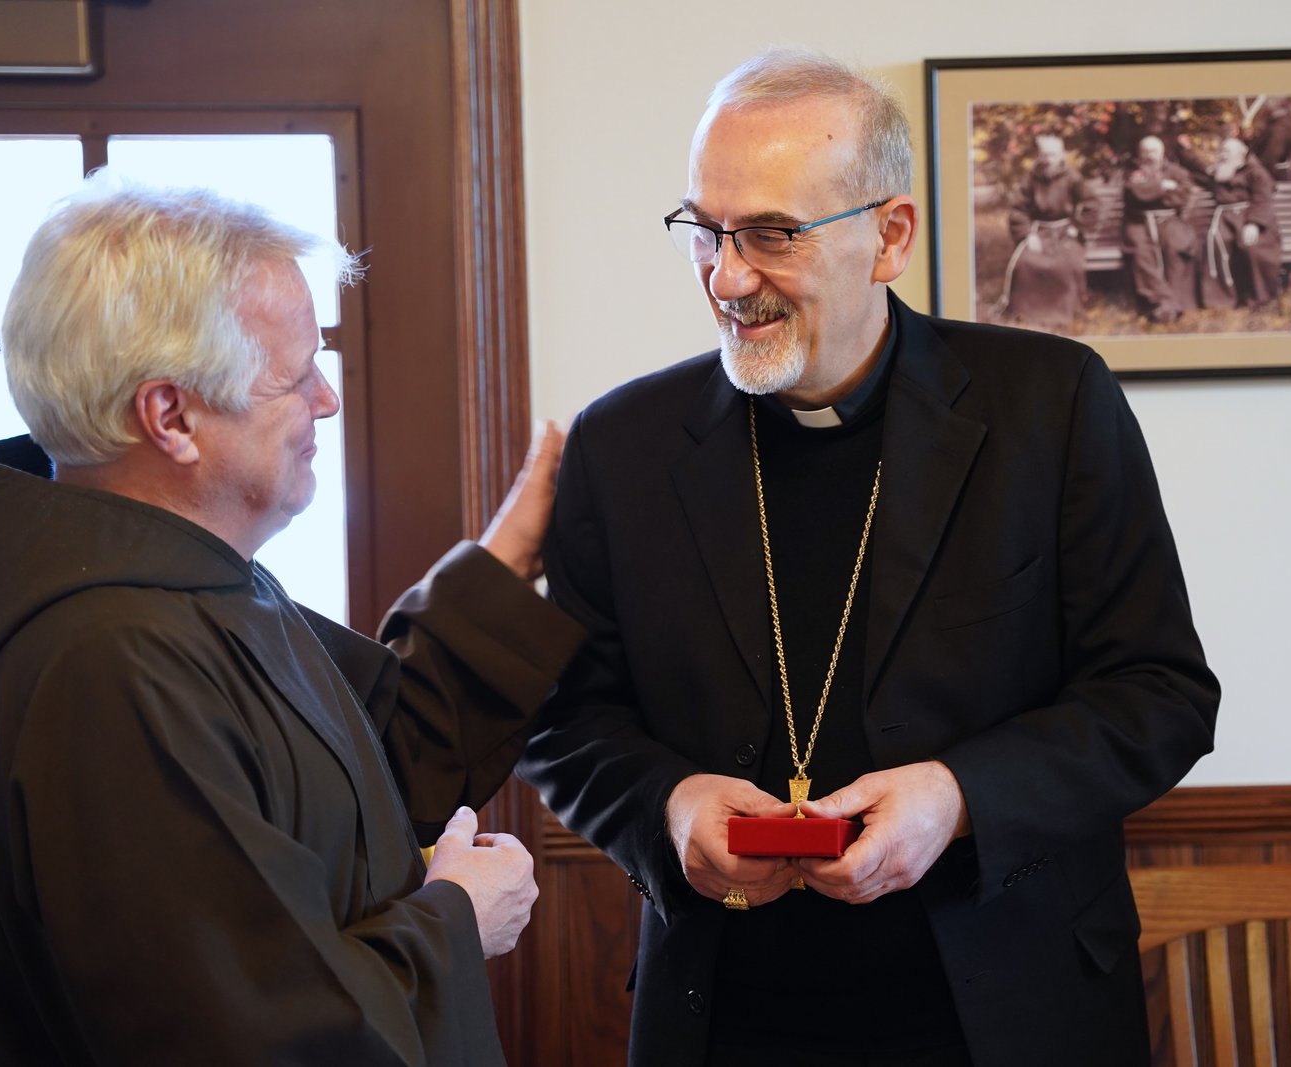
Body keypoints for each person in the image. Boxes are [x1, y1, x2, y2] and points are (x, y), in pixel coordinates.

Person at [519, 49, 1218, 1067]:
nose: (726, 276)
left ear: (889, 236)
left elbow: (1159, 693)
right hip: (727, 1011)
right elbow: (566, 715)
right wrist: (670, 804)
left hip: (1004, 1009)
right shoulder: (622, 443)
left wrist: (958, 792)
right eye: (704, 231)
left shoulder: (1049, 406)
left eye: (770, 234)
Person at [0, 179, 585, 1065]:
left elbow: (385, 751)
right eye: (296, 372)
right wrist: (458, 918)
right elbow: (252, 1036)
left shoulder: (179, 590)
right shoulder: (110, 664)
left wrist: (518, 543)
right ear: (172, 416)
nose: (327, 399)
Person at [994, 133, 1092, 330]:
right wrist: (1027, 235)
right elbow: (1017, 210)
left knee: (1068, 264)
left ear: (1062, 155)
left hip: (1066, 232)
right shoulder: (1030, 179)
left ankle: (1064, 313)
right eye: (1045, 155)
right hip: (1038, 232)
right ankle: (1028, 312)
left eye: (1053, 155)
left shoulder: (1073, 178)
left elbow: (1092, 204)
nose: (1049, 160)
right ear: (1039, 156)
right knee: (1025, 264)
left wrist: (1077, 227)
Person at [1193, 136, 1283, 309]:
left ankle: (1259, 298)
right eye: (1221, 151)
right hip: (1224, 219)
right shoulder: (1219, 172)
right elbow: (1196, 172)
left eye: (1227, 152)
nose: (1222, 155)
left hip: (1250, 218)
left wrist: (1254, 224)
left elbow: (1263, 200)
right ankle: (1220, 301)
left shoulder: (1256, 172)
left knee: (1253, 249)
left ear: (1240, 155)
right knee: (1216, 246)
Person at [1121, 135, 1199, 324]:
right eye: (1145, 151)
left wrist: (1152, 190)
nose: (1150, 155)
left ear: (1162, 152)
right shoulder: (1132, 171)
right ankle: (1164, 302)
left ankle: (1172, 301)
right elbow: (1138, 194)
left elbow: (1183, 196)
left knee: (1176, 247)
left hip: (1169, 220)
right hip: (1139, 221)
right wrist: (1163, 187)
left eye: (1154, 151)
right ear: (1139, 154)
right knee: (1141, 254)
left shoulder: (1176, 171)